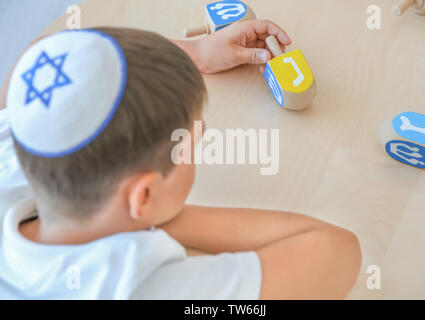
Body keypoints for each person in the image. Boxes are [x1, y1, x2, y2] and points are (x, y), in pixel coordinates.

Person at [0, 20, 361, 299]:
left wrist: (195, 52)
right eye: (193, 143)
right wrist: (152, 218)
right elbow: (337, 251)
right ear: (142, 195)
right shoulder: (138, 286)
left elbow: (41, 55)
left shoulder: (18, 143)